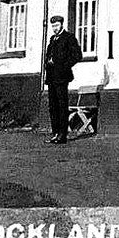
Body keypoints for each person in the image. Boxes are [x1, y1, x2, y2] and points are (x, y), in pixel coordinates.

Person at [43, 14, 83, 144]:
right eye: (53, 26)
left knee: (61, 106)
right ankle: (55, 133)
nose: (55, 28)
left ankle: (62, 135)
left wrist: (64, 66)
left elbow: (77, 55)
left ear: (62, 24)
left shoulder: (69, 38)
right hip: (51, 77)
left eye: (57, 25)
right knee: (52, 106)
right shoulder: (52, 39)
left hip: (62, 77)